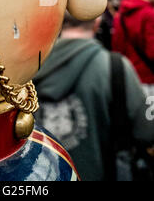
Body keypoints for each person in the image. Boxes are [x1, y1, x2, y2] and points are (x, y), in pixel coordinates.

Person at [34, 13, 154, 181]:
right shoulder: (116, 67)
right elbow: (145, 132)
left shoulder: (31, 68)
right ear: (97, 22)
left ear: (58, 22)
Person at [112, 0, 154, 92]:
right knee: (150, 111)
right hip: (149, 78)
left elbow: (117, 47)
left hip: (128, 76)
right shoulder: (149, 14)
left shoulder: (121, 14)